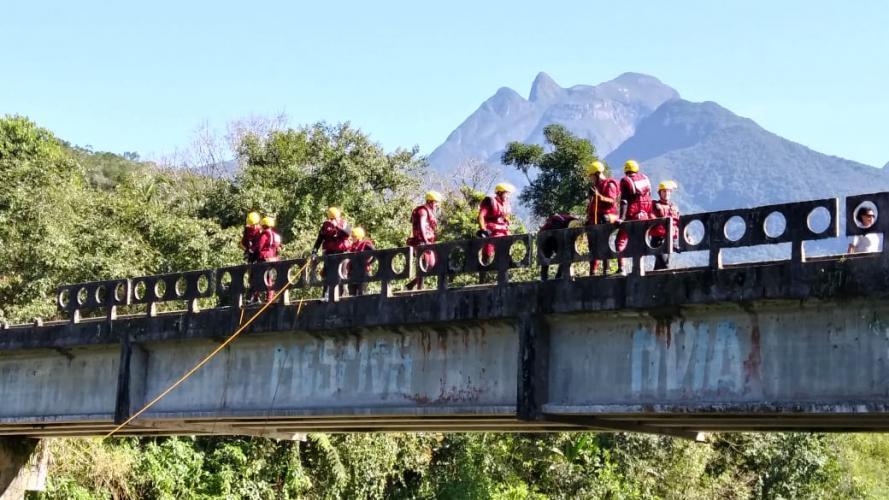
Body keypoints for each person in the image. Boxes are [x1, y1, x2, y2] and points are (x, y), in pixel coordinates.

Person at [615, 160, 653, 274]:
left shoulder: (626, 181)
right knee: (640, 241)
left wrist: (621, 218)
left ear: (626, 170)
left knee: (620, 240)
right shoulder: (645, 179)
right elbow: (649, 196)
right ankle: (639, 269)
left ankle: (621, 268)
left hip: (632, 215)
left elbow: (624, 201)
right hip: (645, 215)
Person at [584, 160, 620, 275]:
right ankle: (592, 271)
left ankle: (606, 269)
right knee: (592, 245)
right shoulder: (595, 187)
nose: (591, 179)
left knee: (604, 243)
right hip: (594, 219)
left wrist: (598, 196)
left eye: (592, 176)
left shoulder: (609, 184)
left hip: (607, 217)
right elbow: (592, 204)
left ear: (597, 174)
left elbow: (611, 201)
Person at [311, 207, 351, 298]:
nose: (333, 220)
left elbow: (347, 234)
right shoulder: (326, 225)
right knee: (327, 273)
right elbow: (319, 239)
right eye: (332, 218)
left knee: (342, 273)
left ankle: (341, 295)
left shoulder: (343, 223)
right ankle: (325, 295)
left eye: (335, 218)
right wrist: (314, 252)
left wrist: (337, 226)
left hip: (342, 252)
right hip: (329, 253)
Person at [406, 190, 441, 290]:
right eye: (436, 202)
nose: (437, 205)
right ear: (431, 201)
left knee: (431, 265)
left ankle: (411, 285)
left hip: (426, 241)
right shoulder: (423, 211)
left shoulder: (428, 211)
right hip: (421, 241)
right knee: (426, 265)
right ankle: (419, 288)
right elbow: (421, 226)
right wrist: (425, 242)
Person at [539, 214, 580, 280]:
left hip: (553, 236)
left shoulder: (573, 221)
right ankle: (545, 277)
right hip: (547, 238)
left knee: (567, 254)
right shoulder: (558, 223)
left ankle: (557, 276)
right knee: (549, 255)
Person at [651, 180, 680, 270]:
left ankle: (654, 282)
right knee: (665, 264)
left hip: (671, 240)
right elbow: (650, 219)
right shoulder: (654, 205)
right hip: (657, 240)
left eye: (668, 191)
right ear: (660, 193)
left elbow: (679, 223)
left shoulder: (674, 207)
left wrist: (687, 236)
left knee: (660, 266)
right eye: (664, 191)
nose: (666, 193)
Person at [256, 216, 282, 301]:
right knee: (270, 277)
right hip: (273, 258)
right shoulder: (276, 235)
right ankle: (270, 297)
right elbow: (279, 248)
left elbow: (260, 247)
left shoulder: (264, 235)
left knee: (259, 277)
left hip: (264, 258)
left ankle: (256, 297)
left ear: (263, 225)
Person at [347, 226, 375, 296]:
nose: (352, 238)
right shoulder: (353, 245)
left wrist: (368, 262)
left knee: (362, 293)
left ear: (358, 236)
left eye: (354, 236)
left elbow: (375, 253)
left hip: (363, 272)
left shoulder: (366, 243)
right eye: (352, 236)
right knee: (351, 294)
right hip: (353, 273)